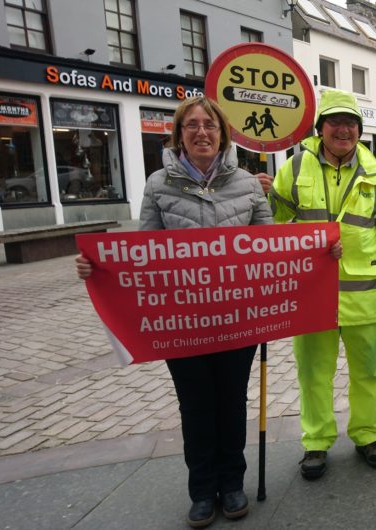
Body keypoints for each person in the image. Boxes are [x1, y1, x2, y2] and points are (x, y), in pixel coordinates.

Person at [76, 96, 273, 528]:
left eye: (210, 125)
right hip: (182, 322)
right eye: (192, 125)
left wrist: (320, 252)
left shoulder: (248, 185)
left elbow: (271, 250)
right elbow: (141, 253)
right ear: (179, 134)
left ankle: (232, 483)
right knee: (196, 405)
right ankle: (202, 490)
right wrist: (97, 267)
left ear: (222, 133)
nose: (202, 132)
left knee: (231, 403)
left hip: (236, 319)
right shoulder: (158, 185)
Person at [257, 90, 376, 479]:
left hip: (363, 294)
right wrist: (266, 198)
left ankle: (368, 435)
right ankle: (316, 443)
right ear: (320, 128)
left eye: (351, 123)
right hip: (310, 293)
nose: (343, 129)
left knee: (369, 371)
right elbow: (275, 225)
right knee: (313, 372)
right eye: (335, 122)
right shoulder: (293, 169)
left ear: (359, 130)